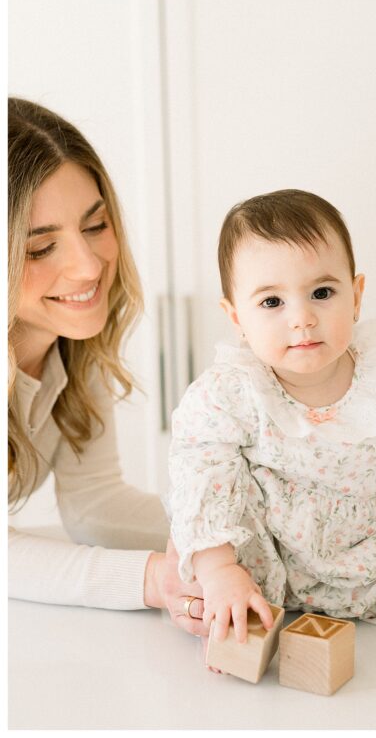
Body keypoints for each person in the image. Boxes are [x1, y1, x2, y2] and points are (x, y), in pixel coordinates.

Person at [166, 189, 376, 648]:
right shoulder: (227, 394)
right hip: (266, 562)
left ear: (356, 296)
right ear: (236, 318)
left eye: (322, 292)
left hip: (368, 556)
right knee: (217, 561)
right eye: (272, 302)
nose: (303, 318)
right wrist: (219, 571)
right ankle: (236, 595)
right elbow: (202, 476)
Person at [7, 97, 205, 632]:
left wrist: (227, 529)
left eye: (95, 226)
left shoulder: (74, 344)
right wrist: (156, 580)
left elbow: (94, 505)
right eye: (41, 247)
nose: (88, 265)